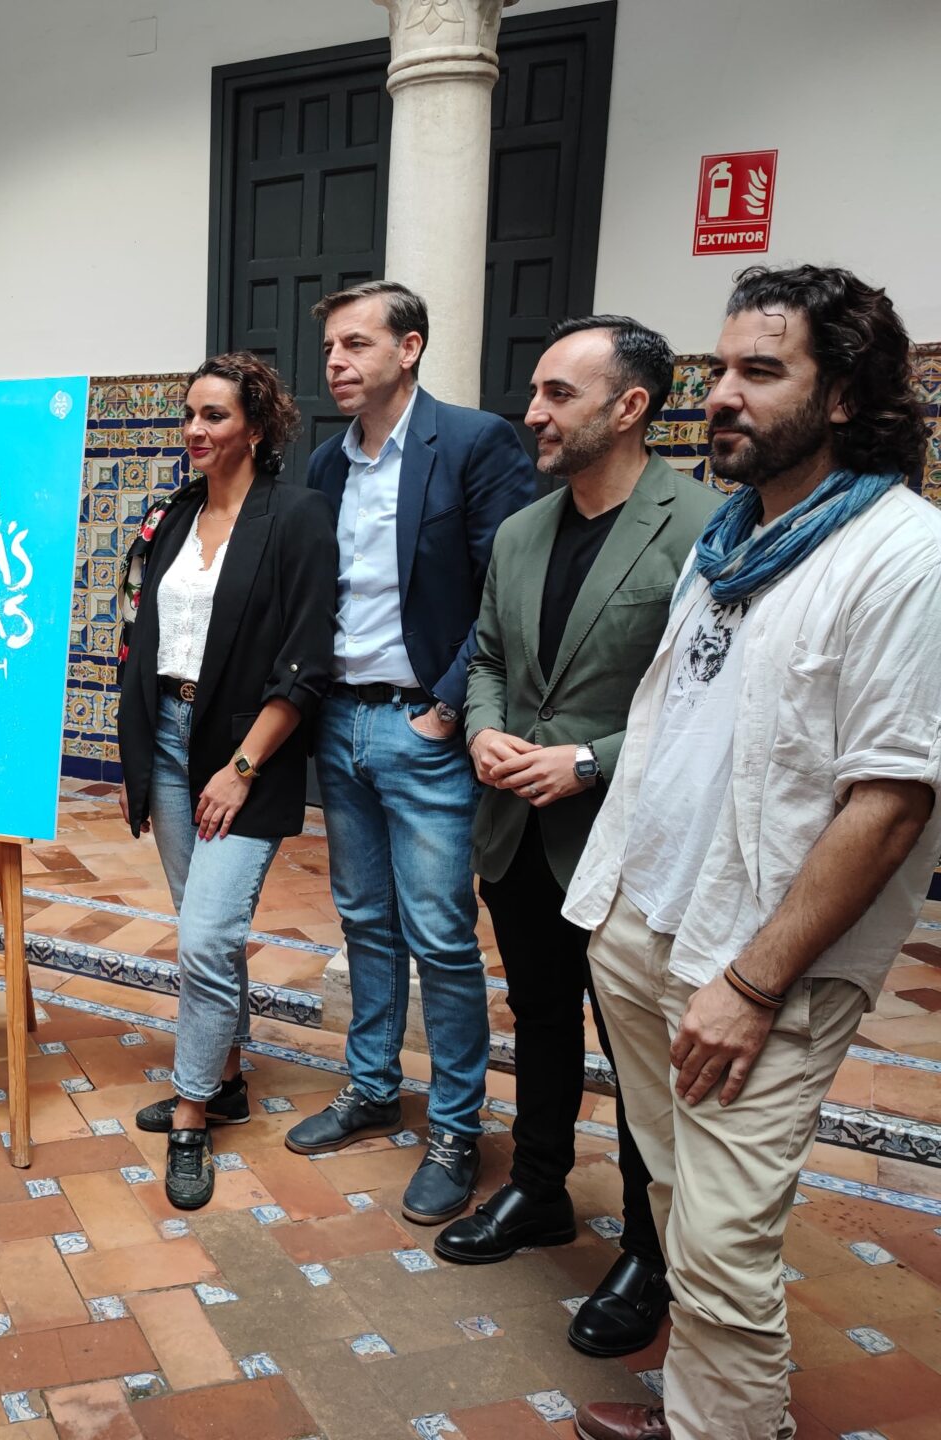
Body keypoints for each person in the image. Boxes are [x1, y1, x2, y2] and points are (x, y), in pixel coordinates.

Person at [566, 266, 941, 1440]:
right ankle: (705, 1417)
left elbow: (890, 800)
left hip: (753, 961)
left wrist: (752, 982)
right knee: (682, 1200)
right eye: (719, 368)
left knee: (724, 1241)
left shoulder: (902, 555)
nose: (719, 394)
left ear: (843, 397)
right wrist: (618, 915)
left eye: (759, 372)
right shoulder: (731, 535)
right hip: (643, 915)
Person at [435, 316, 721, 1360]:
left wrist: (587, 761)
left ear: (629, 407)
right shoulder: (521, 529)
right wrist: (486, 732)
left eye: (558, 394)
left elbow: (708, 698)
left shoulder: (704, 527)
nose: (533, 413)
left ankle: (653, 1250)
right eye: (536, 392)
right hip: (518, 827)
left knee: (636, 1050)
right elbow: (488, 660)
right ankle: (542, 1191)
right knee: (543, 1016)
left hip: (632, 840)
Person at [285, 281, 535, 1226]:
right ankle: (371, 1084)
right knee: (363, 919)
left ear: (411, 348)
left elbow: (503, 586)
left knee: (439, 932)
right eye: (331, 349)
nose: (338, 363)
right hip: (340, 723)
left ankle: (458, 1126)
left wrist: (448, 706)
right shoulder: (326, 464)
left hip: (421, 726)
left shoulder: (471, 443)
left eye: (357, 345)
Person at [117, 352, 336, 1211]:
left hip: (242, 751)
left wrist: (242, 767)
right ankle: (232, 1072)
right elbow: (144, 631)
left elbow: (308, 661)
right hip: (169, 743)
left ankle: (194, 1113)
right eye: (189, 416)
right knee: (201, 926)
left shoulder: (297, 517)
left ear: (256, 426)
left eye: (214, 417)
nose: (196, 432)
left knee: (208, 937)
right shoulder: (171, 516)